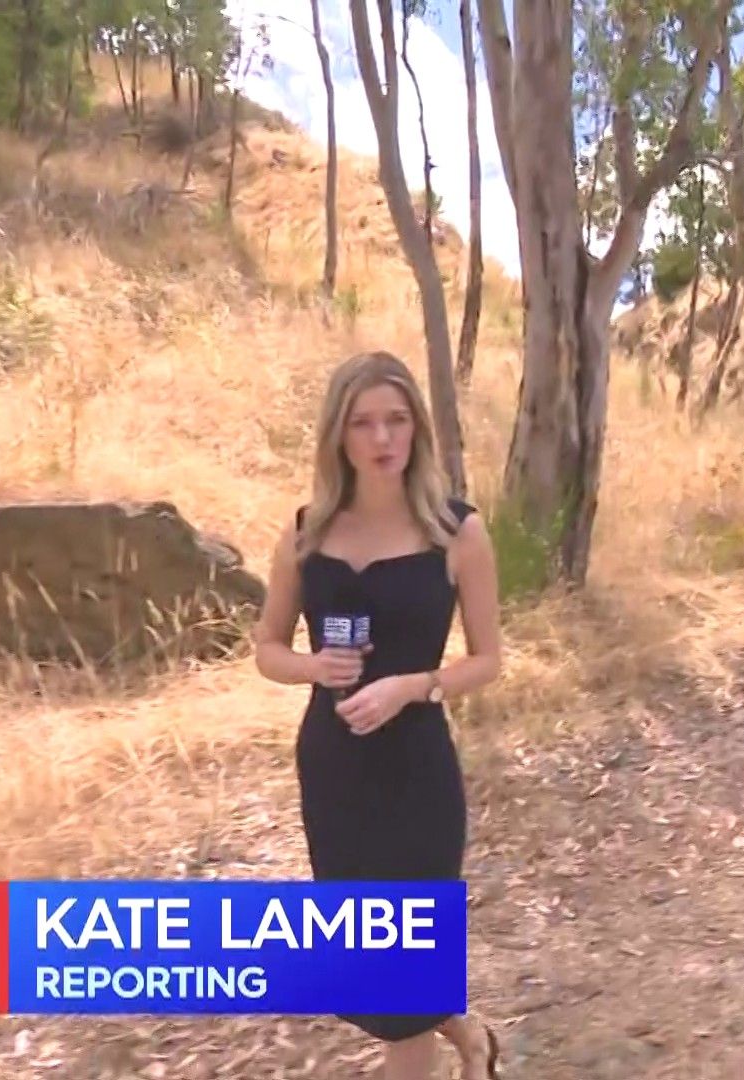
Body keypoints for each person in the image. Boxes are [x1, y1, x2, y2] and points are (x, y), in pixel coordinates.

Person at [251, 350, 504, 1080]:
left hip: (417, 773)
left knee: (401, 980)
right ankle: (469, 1036)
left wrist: (414, 686)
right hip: (334, 771)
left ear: (417, 427)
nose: (382, 438)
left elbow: (488, 660)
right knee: (369, 960)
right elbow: (267, 649)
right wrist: (312, 668)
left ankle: (439, 1041)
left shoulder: (458, 533)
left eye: (396, 419)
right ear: (338, 434)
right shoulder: (306, 533)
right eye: (363, 423)